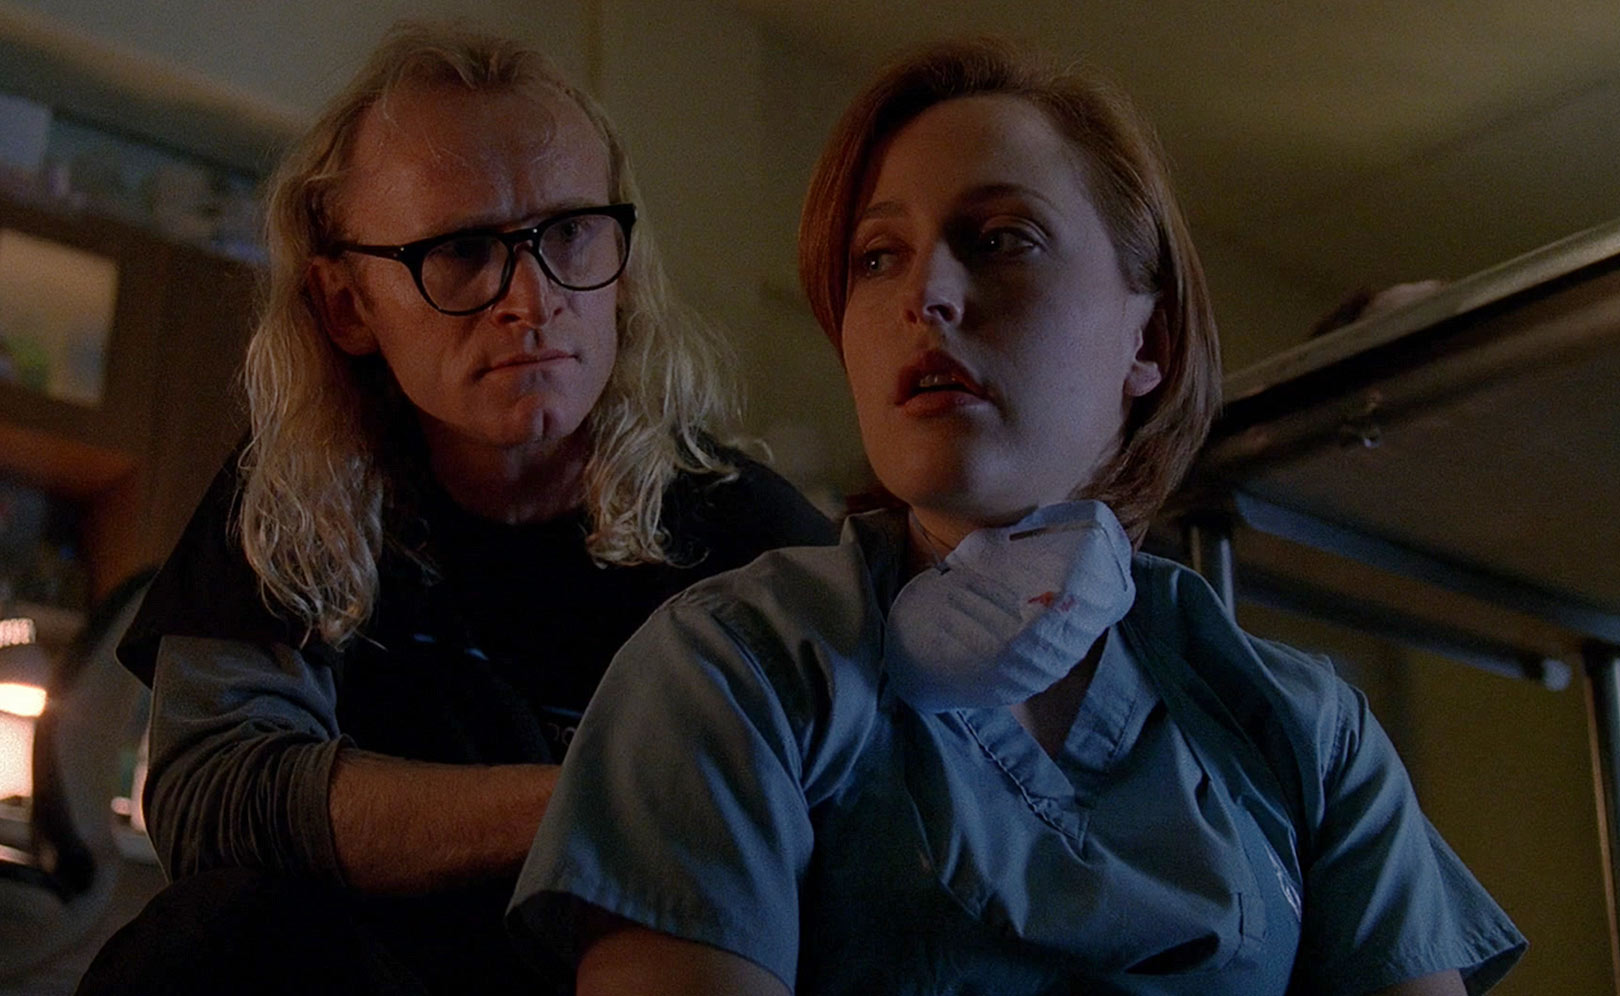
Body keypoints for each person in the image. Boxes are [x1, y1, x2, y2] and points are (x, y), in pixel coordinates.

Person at [510, 39, 1526, 995]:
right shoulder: (734, 670)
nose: (927, 296)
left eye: (1002, 240)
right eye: (878, 257)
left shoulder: (1308, 733)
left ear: (1148, 343)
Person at [77, 20, 834, 996]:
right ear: (348, 305)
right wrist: (601, 802)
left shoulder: (759, 546)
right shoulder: (299, 488)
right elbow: (212, 791)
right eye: (465, 251)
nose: (533, 300)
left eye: (571, 233)